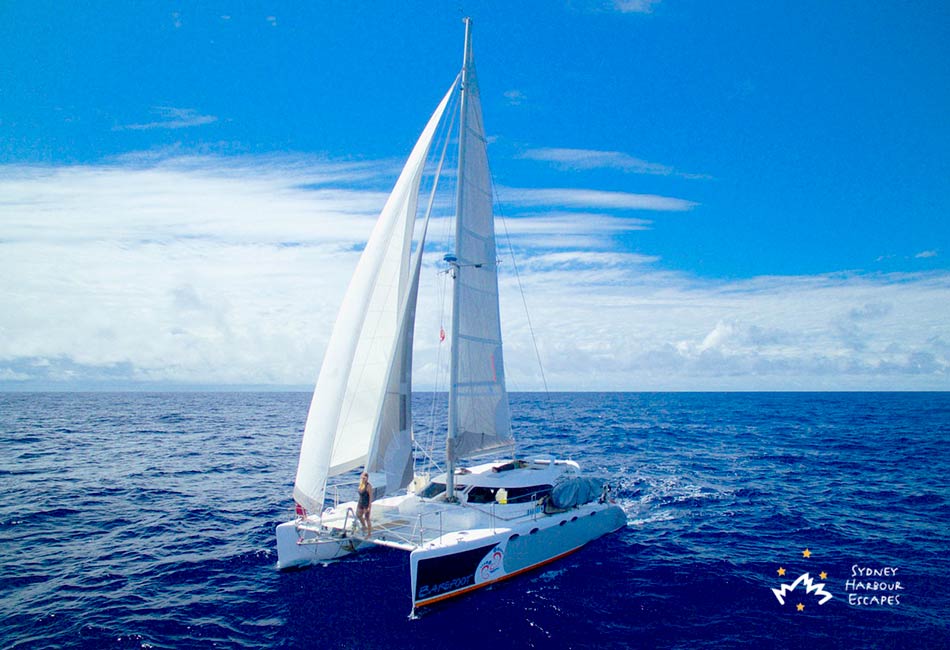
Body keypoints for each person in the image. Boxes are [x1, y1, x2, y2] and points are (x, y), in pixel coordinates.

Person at [356, 472, 373, 538]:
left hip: (366, 503)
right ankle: (364, 526)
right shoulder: (361, 484)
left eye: (364, 478)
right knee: (358, 515)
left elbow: (370, 497)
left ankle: (369, 534)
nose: (363, 479)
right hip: (361, 502)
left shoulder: (368, 486)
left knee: (367, 518)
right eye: (362, 478)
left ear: (367, 478)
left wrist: (369, 507)